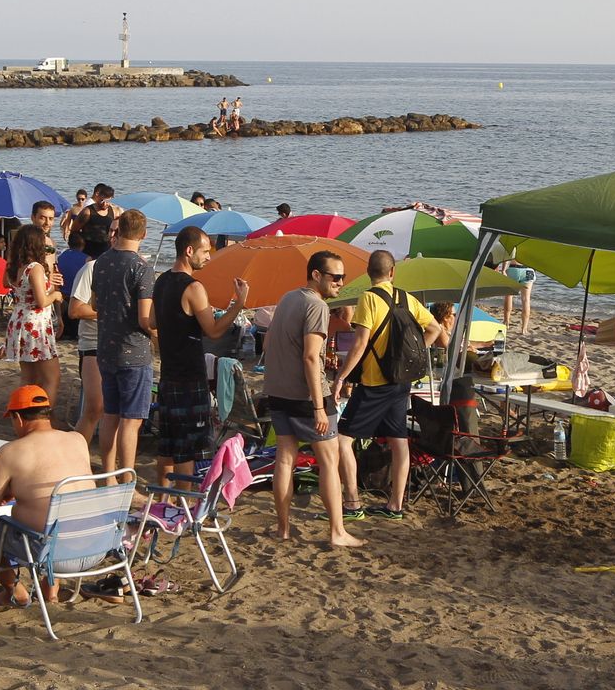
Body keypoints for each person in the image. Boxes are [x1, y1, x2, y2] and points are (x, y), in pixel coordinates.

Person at [332, 250, 445, 522]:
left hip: (374, 383)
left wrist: (341, 377)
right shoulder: (407, 298)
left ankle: (352, 503)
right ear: (392, 272)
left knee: (342, 439)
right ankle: (395, 506)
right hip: (401, 382)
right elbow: (435, 330)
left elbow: (360, 344)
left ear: (368, 273)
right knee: (398, 441)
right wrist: (416, 355)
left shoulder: (368, 298)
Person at [0, 385, 96, 607]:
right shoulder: (77, 440)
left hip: (53, 554)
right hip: (95, 545)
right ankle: (50, 588)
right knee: (59, 513)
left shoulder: (12, 451)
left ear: (17, 418)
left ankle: (15, 591)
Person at [266, 250, 356, 545]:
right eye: (336, 277)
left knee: (284, 459)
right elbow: (309, 357)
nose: (340, 283)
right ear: (316, 275)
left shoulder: (287, 298)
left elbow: (272, 343)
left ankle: (283, 529)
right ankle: (337, 532)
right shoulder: (316, 305)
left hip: (278, 391)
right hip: (306, 395)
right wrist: (319, 406)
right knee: (329, 461)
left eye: (343, 277)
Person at [151, 227, 249, 487]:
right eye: (205, 251)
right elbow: (214, 331)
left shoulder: (161, 280)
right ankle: (183, 502)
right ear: (189, 250)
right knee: (187, 447)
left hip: (169, 373)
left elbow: (151, 320)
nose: (209, 256)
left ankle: (163, 499)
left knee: (167, 446)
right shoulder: (193, 287)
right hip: (189, 376)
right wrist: (238, 304)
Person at [91, 209, 155, 484]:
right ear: (143, 234)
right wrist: (157, 328)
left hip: (106, 347)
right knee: (132, 420)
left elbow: (94, 304)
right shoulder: (141, 268)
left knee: (111, 414)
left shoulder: (102, 262)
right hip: (134, 351)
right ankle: (127, 476)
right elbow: (144, 318)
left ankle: (108, 473)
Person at [65, 225, 111, 458]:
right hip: (92, 345)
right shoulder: (91, 269)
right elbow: (75, 310)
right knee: (95, 408)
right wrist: (108, 312)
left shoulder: (123, 267)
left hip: (117, 345)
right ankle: (75, 456)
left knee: (113, 412)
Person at [4, 223, 62, 404]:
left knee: (28, 377)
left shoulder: (14, 265)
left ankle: (22, 411)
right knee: (52, 377)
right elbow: (41, 301)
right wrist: (56, 295)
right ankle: (46, 417)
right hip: (35, 325)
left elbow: (7, 284)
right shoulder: (35, 267)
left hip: (19, 320)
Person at [499, 259, 535, 335]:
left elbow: (508, 256)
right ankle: (524, 329)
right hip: (528, 270)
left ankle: (506, 322)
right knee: (526, 299)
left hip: (514, 269)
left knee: (509, 296)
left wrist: (503, 270)